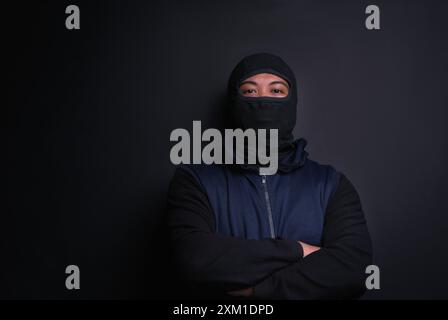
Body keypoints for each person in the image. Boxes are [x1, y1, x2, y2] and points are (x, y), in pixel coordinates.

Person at [167, 53, 373, 299]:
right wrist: (297, 250)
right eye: (250, 92)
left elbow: (354, 270)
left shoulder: (329, 184)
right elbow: (194, 261)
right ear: (234, 102)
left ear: (293, 101)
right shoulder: (195, 181)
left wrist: (258, 291)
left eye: (276, 91)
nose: (263, 101)